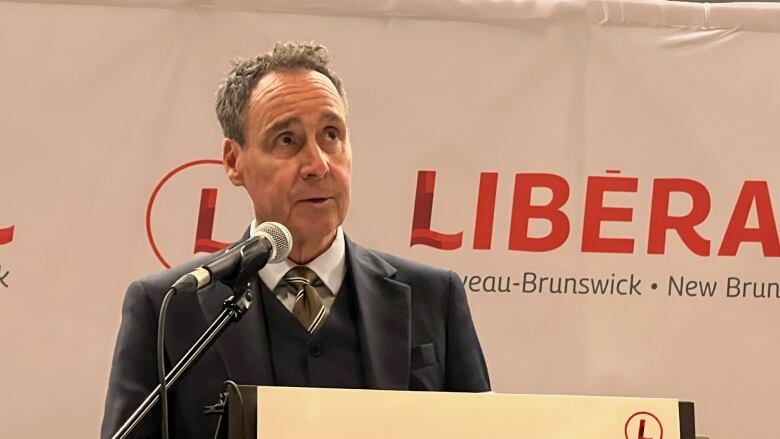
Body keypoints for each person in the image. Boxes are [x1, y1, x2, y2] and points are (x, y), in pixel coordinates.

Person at [101, 41, 490, 439]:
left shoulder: (433, 296)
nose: (319, 164)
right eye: (287, 140)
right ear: (234, 162)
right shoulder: (169, 307)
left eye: (331, 135)